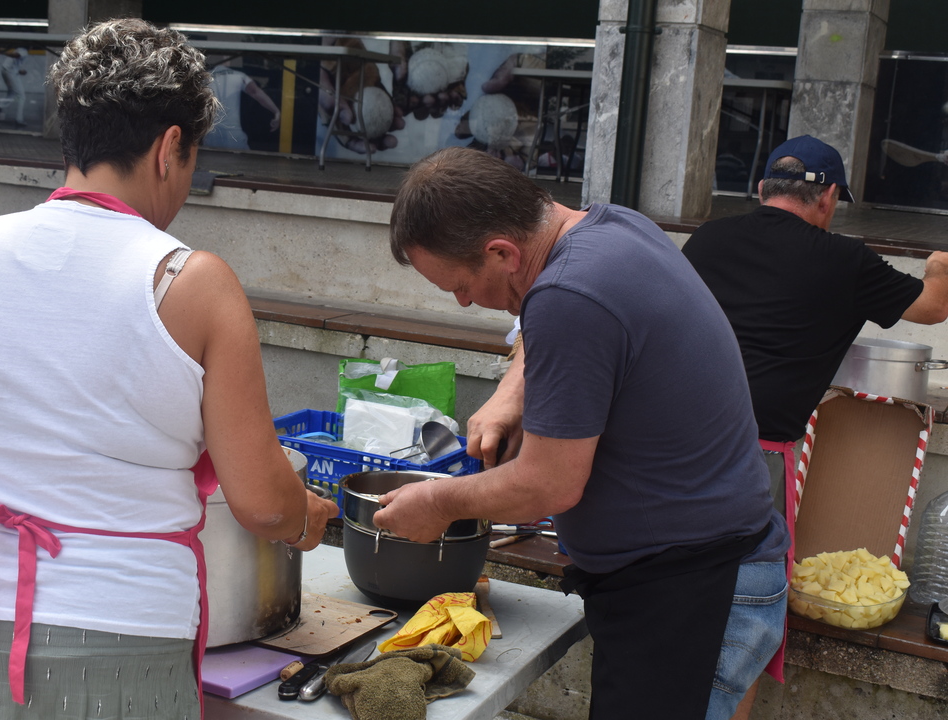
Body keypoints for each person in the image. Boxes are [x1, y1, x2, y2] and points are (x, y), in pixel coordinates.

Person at [0, 18, 339, 720]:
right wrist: (306, 517)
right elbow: (263, 503)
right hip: (115, 643)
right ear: (170, 148)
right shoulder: (191, 283)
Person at [373, 146, 790, 720]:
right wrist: (513, 395)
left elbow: (549, 485)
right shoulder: (612, 227)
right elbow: (554, 317)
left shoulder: (568, 295)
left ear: (503, 252)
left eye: (461, 285)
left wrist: (437, 503)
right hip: (707, 565)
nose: (464, 302)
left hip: (695, 589)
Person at [682, 134, 948, 718]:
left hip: (671, 451)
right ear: (828, 198)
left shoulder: (707, 240)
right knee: (738, 636)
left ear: (762, 188)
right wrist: (939, 265)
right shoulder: (845, 260)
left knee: (674, 615)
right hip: (752, 469)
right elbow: (933, 307)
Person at [204, 65, 281, 150]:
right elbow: (255, 92)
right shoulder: (239, 75)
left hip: (211, 136)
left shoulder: (204, 79)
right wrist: (276, 111)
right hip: (234, 136)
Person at [0, 47, 27, 127]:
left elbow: (14, 60)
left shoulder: (18, 49)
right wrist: (3, 52)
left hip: (6, 70)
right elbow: (16, 55)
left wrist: (19, 71)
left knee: (11, 92)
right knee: (21, 96)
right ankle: (19, 120)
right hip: (9, 72)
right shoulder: (23, 50)